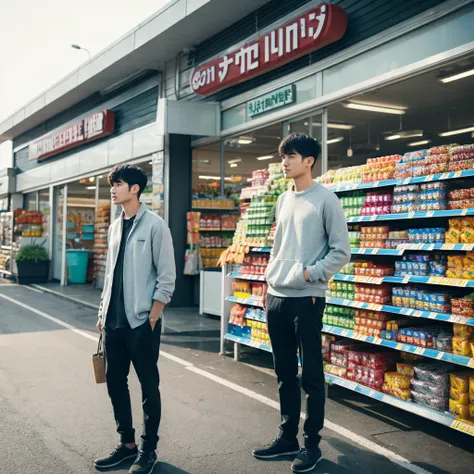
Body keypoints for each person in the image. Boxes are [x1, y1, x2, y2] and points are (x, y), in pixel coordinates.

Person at [253, 133, 351, 473]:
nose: (285, 161)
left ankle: (312, 444)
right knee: (283, 373)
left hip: (307, 299)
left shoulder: (327, 200)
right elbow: (278, 246)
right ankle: (287, 437)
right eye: (283, 156)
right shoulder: (283, 199)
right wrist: (269, 282)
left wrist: (310, 274)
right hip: (277, 297)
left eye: (291, 156)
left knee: (311, 375)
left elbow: (341, 252)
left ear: (309, 160)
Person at [94, 165, 176, 474]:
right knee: (115, 382)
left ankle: (148, 450)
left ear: (135, 189)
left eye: (118, 184)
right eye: (112, 184)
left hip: (142, 322)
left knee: (148, 385)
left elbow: (166, 276)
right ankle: (127, 444)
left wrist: (154, 315)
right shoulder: (115, 227)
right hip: (113, 323)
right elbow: (110, 276)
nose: (113, 189)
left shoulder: (155, 226)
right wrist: (102, 313)